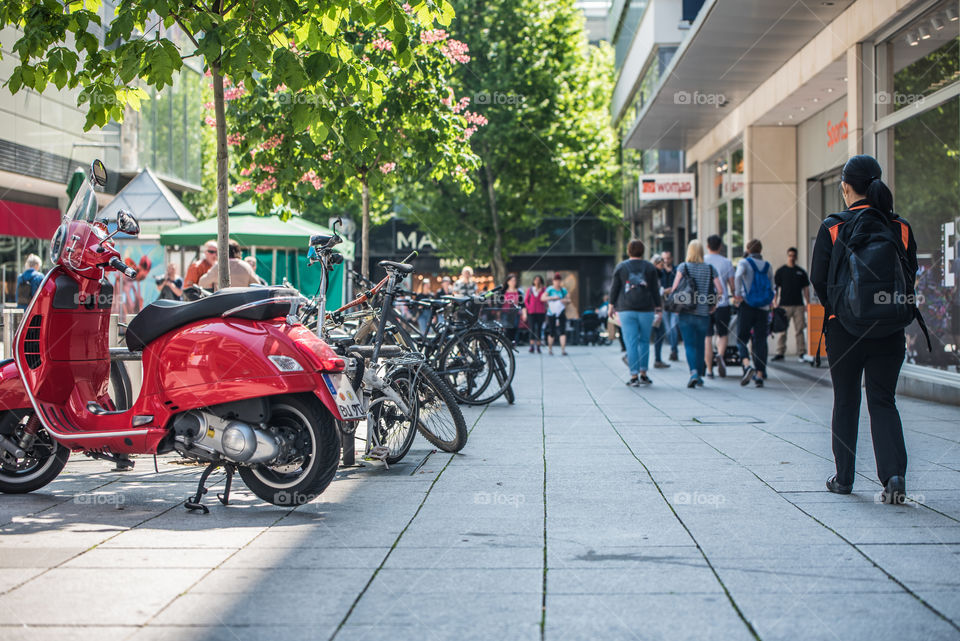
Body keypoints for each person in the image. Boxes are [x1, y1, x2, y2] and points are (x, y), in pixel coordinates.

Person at [811, 154, 916, 504]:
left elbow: (819, 281)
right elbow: (910, 275)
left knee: (846, 399)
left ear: (845, 187)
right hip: (889, 329)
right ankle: (894, 477)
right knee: (883, 400)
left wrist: (844, 309)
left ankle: (843, 479)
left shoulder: (832, 226)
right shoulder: (899, 227)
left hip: (844, 329)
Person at [666, 241, 722, 388]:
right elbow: (720, 290)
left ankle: (694, 373)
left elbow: (675, 288)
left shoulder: (683, 267)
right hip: (704, 313)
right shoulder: (710, 268)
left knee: (689, 345)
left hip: (686, 312)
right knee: (700, 345)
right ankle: (700, 377)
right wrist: (714, 305)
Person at [609, 239, 662, 386]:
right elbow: (655, 290)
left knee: (631, 343)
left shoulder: (621, 267)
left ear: (628, 251)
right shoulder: (650, 267)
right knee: (644, 341)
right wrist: (658, 307)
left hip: (626, 309)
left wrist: (611, 305)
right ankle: (644, 373)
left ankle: (634, 376)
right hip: (646, 309)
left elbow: (614, 288)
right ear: (642, 251)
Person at [734, 238, 775, 388]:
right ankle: (759, 375)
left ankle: (746, 364)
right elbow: (772, 286)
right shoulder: (767, 266)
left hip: (747, 305)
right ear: (760, 250)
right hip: (763, 308)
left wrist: (738, 294)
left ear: (748, 250)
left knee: (741, 338)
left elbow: (738, 277)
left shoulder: (744, 263)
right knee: (760, 341)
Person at [704, 235, 735, 378]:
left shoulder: (702, 261)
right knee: (723, 334)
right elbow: (732, 285)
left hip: (705, 304)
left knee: (707, 337)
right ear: (720, 246)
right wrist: (735, 295)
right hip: (722, 303)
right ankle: (720, 356)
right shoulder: (726, 262)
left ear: (707, 246)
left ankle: (709, 370)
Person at [772, 247, 810, 361]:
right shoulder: (781, 271)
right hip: (784, 305)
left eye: (793, 256)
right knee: (782, 330)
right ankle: (780, 352)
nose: (792, 258)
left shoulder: (801, 272)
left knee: (799, 330)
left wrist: (807, 303)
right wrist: (775, 301)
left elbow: (806, 289)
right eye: (790, 255)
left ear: (796, 257)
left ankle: (801, 352)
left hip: (798, 305)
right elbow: (776, 288)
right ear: (787, 256)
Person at [542, 272, 570, 356]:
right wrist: (553, 298)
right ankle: (550, 348)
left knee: (562, 331)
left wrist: (564, 300)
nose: (557, 282)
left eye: (559, 281)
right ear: (553, 281)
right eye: (556, 280)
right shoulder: (550, 289)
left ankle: (563, 350)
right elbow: (543, 298)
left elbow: (569, 300)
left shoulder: (563, 290)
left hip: (561, 312)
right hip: (552, 313)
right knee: (552, 331)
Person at [659, 250, 680, 361]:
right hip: (664, 304)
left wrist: (672, 290)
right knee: (668, 329)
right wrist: (663, 291)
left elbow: (681, 285)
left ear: (671, 258)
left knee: (673, 327)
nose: (666, 260)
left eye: (668, 258)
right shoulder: (659, 272)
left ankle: (674, 350)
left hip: (676, 304)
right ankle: (674, 349)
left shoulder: (677, 271)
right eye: (664, 259)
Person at [650, 255, 669, 369]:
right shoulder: (653, 275)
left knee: (659, 333)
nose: (663, 267)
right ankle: (657, 360)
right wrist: (665, 291)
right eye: (661, 265)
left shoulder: (657, 275)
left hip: (655, 308)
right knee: (658, 332)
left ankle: (658, 359)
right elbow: (655, 291)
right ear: (655, 264)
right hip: (654, 309)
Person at [524, 275, 547, 353]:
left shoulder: (544, 290)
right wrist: (529, 307)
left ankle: (538, 346)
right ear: (533, 281)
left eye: (539, 280)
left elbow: (546, 299)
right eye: (536, 280)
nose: (537, 281)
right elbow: (526, 300)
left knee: (539, 329)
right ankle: (531, 346)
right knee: (532, 329)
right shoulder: (530, 290)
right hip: (531, 312)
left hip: (541, 312)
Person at [501, 274, 522, 345]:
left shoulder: (519, 292)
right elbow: (499, 302)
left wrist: (524, 313)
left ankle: (513, 342)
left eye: (514, 281)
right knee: (507, 327)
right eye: (511, 280)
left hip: (516, 313)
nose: (513, 282)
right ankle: (507, 342)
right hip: (506, 312)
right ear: (508, 282)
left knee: (515, 327)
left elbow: (522, 304)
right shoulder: (503, 291)